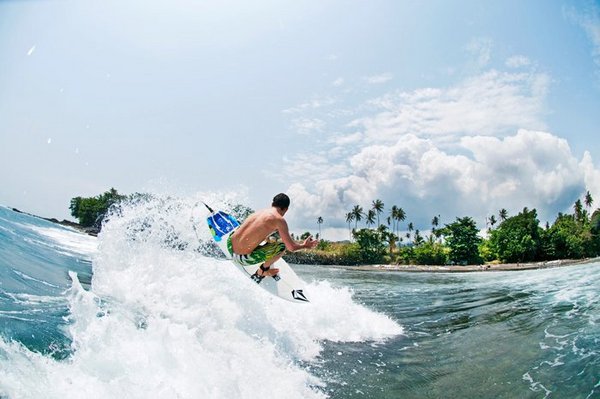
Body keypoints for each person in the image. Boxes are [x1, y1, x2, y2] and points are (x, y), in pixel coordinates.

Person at [227, 193, 318, 281]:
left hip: (229, 245)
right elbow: (291, 247)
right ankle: (262, 271)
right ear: (286, 209)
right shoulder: (279, 220)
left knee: (259, 236)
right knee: (282, 246)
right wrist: (305, 245)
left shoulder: (259, 212)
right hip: (242, 258)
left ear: (272, 204)